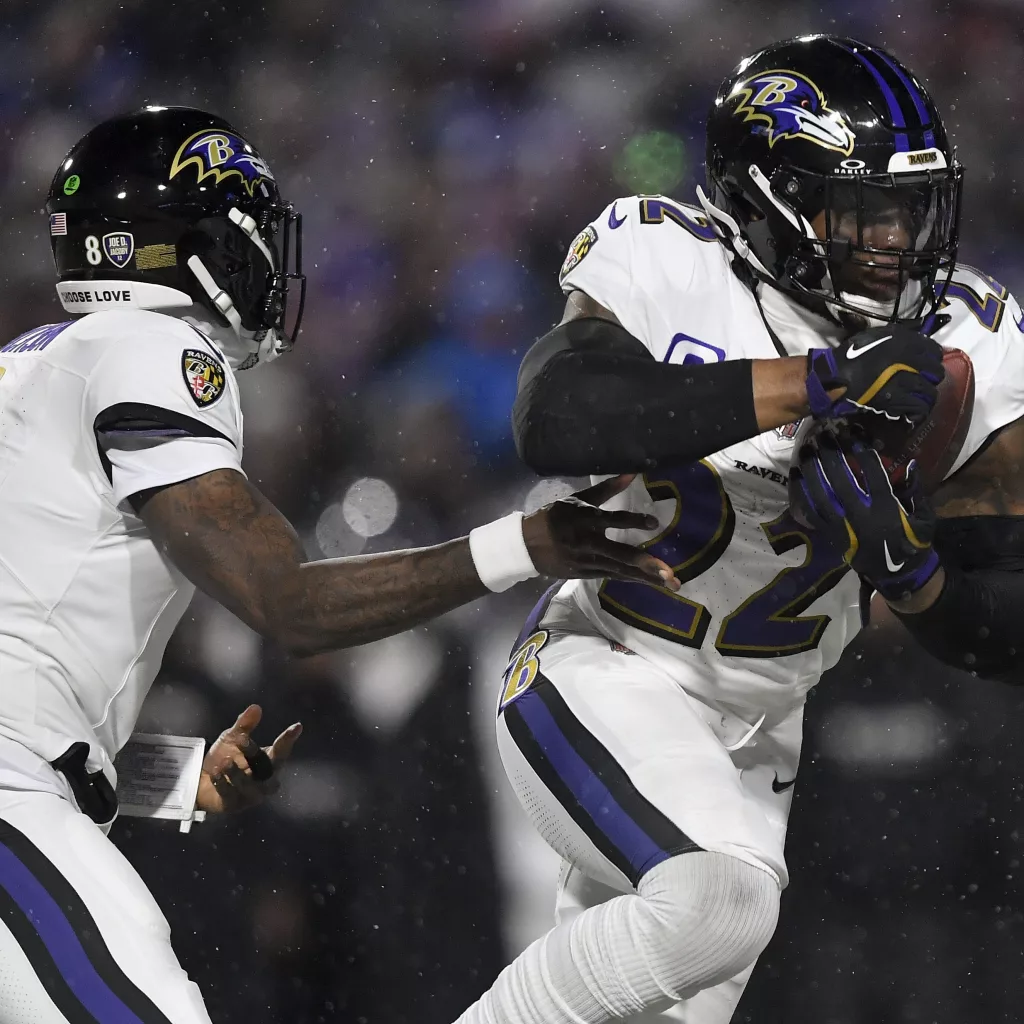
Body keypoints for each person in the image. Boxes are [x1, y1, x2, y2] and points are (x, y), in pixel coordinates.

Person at [0, 105, 679, 1024]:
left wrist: (158, 775)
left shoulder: (34, 365)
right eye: (246, 229)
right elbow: (288, 604)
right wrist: (525, 542)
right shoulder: (150, 345)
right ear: (184, 244)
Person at [455, 34, 1024, 1024]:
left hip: (757, 740)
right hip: (603, 666)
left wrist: (910, 572)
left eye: (909, 207)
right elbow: (557, 417)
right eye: (863, 209)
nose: (895, 238)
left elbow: (1011, 620)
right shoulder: (669, 256)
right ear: (766, 199)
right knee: (719, 905)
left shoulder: (969, 340)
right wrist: (813, 387)